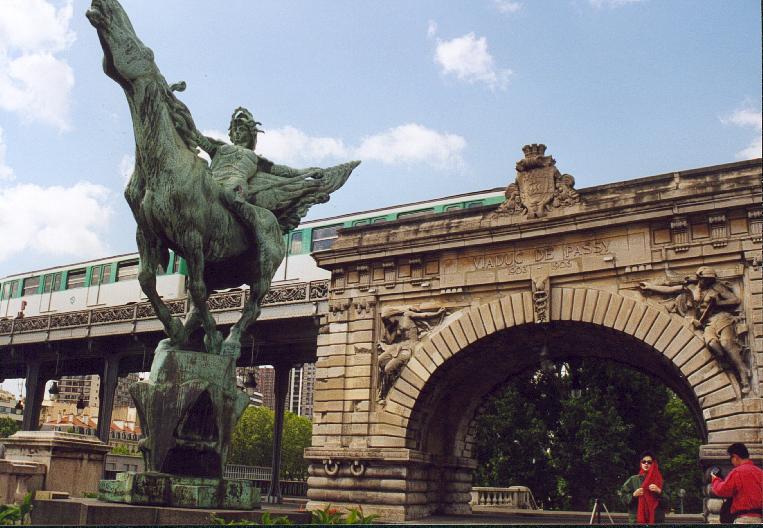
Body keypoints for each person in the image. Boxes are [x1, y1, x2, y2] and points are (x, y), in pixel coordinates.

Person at [640, 266, 750, 392]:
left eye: (709, 280)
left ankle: (743, 375)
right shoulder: (690, 288)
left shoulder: (717, 287)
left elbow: (735, 300)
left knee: (726, 343)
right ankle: (730, 364)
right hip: (707, 323)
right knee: (712, 344)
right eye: (705, 279)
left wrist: (719, 303)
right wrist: (650, 287)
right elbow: (670, 289)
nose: (707, 281)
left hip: (722, 318)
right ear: (699, 278)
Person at [711, 443, 763, 524]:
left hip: (742, 519)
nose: (731, 461)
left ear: (735, 457)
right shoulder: (760, 472)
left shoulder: (737, 472)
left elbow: (721, 490)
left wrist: (715, 479)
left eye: (730, 458)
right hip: (759, 519)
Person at [620, 451, 667, 524]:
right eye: (643, 461)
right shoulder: (633, 479)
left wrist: (659, 491)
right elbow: (623, 498)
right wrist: (633, 495)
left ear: (654, 464)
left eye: (649, 462)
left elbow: (668, 502)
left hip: (656, 521)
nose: (646, 463)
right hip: (637, 521)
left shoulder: (660, 481)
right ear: (641, 463)